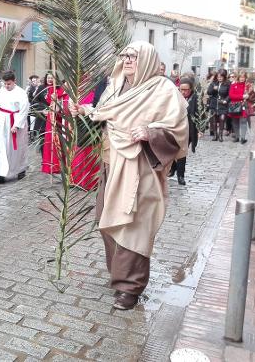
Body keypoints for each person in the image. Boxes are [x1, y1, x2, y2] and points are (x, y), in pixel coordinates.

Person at [71, 42, 188, 310]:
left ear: (146, 59)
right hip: (110, 164)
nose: (127, 60)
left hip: (140, 167)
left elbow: (179, 130)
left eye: (133, 56)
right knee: (106, 218)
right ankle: (119, 273)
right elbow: (104, 115)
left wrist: (150, 133)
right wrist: (83, 112)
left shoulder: (164, 90)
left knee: (134, 224)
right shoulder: (114, 85)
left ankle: (130, 287)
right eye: (124, 55)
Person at [0, 70, 29, 185]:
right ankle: (0, 174)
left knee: (16, 148)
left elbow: (24, 109)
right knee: (1, 147)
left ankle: (20, 169)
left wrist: (16, 125)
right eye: (5, 84)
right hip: (2, 121)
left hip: (15, 121)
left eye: (9, 84)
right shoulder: (1, 90)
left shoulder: (21, 93)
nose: (6, 86)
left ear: (14, 81)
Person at [168, 78, 198, 185]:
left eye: (186, 90)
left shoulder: (195, 98)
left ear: (191, 89)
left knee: (182, 152)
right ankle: (173, 167)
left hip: (189, 130)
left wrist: (200, 129)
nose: (183, 92)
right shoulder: (175, 97)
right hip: (176, 128)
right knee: (173, 150)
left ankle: (181, 175)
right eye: (181, 89)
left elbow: (199, 115)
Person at [32, 72, 55, 152]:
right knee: (43, 141)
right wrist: (42, 110)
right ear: (46, 78)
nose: (50, 79)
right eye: (48, 78)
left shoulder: (58, 88)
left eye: (52, 78)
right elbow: (35, 102)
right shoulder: (41, 87)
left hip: (55, 119)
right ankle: (44, 160)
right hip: (42, 118)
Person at [207, 69, 230, 142]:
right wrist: (213, 89)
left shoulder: (228, 84)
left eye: (221, 77)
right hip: (214, 104)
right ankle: (215, 135)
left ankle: (220, 135)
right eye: (218, 76)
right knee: (213, 121)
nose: (219, 78)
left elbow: (229, 94)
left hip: (222, 105)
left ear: (224, 77)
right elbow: (209, 92)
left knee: (222, 120)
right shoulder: (214, 83)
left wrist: (226, 100)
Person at [228, 71, 249, 144]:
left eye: (243, 77)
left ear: (245, 78)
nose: (242, 78)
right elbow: (231, 96)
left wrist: (248, 96)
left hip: (243, 106)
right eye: (241, 77)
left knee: (243, 122)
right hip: (234, 106)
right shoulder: (234, 84)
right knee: (235, 122)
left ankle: (243, 138)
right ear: (238, 77)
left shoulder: (246, 86)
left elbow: (249, 96)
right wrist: (241, 96)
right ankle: (237, 137)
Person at [26, 74, 40, 141]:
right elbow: (31, 97)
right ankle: (31, 136)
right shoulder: (30, 88)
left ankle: (35, 134)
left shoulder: (40, 87)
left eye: (35, 81)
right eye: (33, 81)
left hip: (39, 107)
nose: (34, 82)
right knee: (32, 121)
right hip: (33, 107)